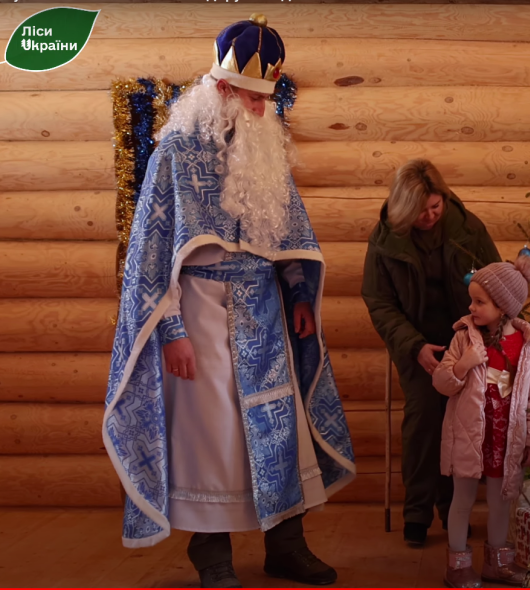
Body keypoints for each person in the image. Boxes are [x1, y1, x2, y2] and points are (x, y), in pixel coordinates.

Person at [103, 14, 355, 588]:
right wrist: (171, 332)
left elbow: (287, 232)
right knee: (214, 437)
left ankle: (285, 545)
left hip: (263, 309)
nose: (263, 110)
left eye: (267, 99)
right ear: (221, 89)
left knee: (279, 424)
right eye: (251, 96)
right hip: (200, 310)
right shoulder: (173, 155)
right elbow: (150, 254)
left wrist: (296, 292)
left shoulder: (265, 149)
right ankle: (211, 553)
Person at [361, 159, 500, 546]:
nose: (430, 216)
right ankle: (417, 513)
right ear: (404, 208)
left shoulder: (468, 228)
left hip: (467, 338)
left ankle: (453, 507)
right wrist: (413, 346)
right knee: (424, 416)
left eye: (436, 207)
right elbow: (379, 300)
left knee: (463, 416)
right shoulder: (385, 239)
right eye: (421, 211)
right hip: (416, 341)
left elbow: (495, 281)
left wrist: (484, 333)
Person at [431, 255, 530, 587]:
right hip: (470, 436)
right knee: (463, 499)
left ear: (503, 306)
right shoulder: (464, 338)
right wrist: (463, 365)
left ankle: (498, 563)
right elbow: (441, 383)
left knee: (502, 500)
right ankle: (457, 565)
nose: (472, 307)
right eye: (472, 300)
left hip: (506, 439)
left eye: (480, 302)